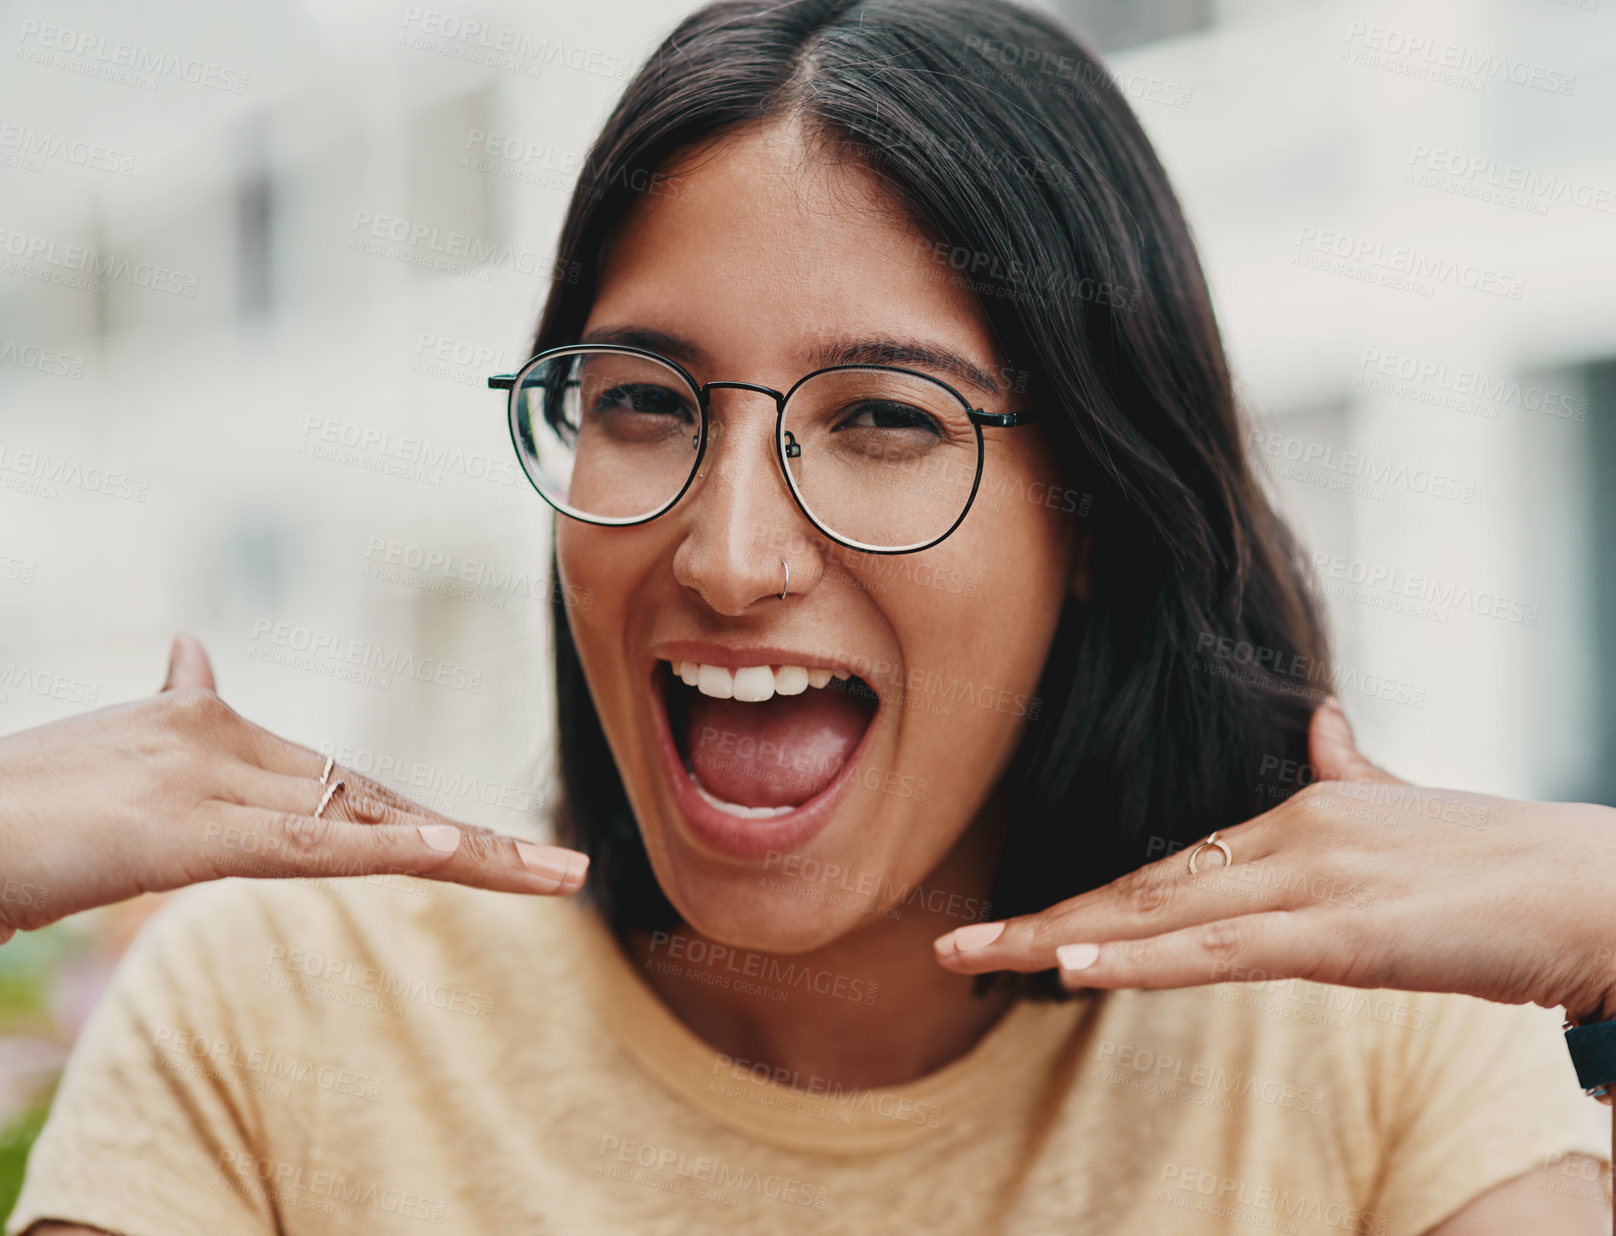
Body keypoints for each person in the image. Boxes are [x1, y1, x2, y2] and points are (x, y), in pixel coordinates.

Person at [8, 1, 1612, 1233]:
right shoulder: (285, 1018)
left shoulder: (1366, 1054)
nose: (729, 552)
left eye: (888, 419)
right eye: (643, 399)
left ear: (1105, 515)